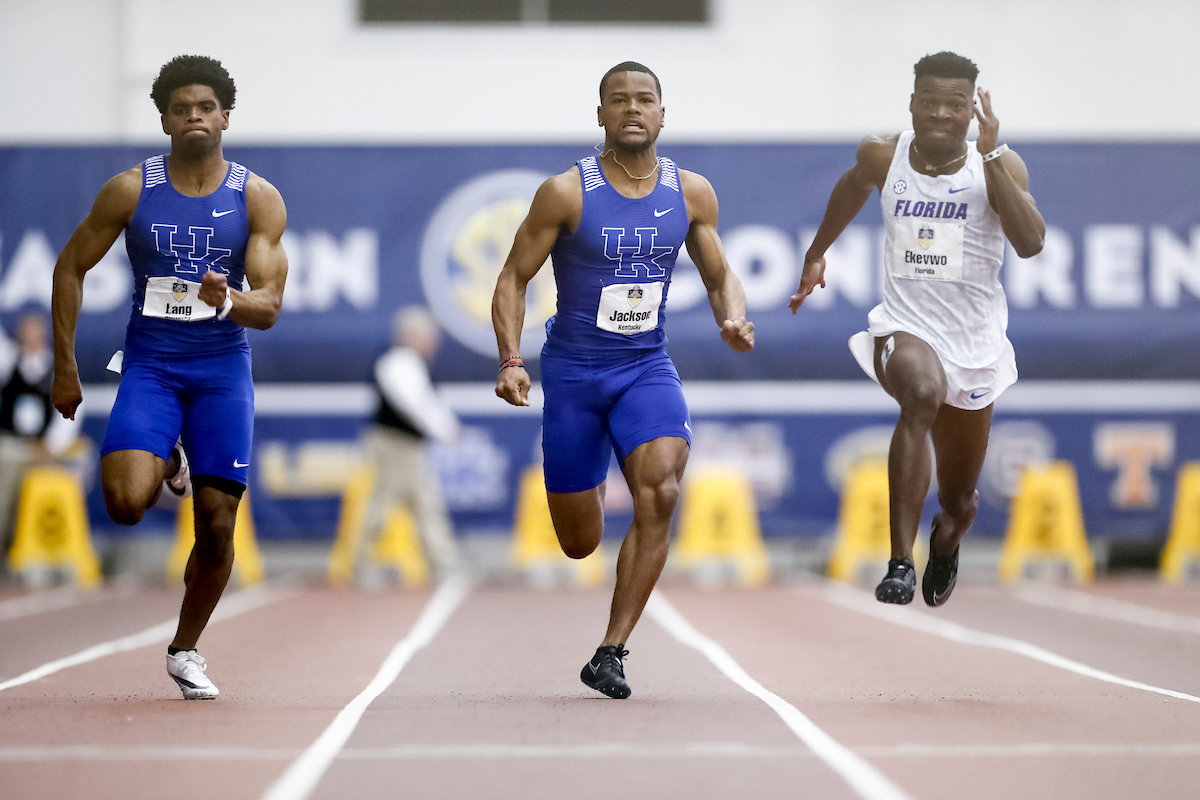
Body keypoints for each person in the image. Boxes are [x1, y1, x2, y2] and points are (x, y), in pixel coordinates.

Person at [492, 61, 754, 699]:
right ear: (602, 115)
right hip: (575, 374)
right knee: (580, 542)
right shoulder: (565, 192)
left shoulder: (691, 193)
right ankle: (594, 540)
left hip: (646, 366)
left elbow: (720, 275)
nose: (633, 109)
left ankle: (611, 650)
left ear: (663, 114)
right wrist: (511, 360)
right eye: (619, 100)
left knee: (660, 492)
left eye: (645, 100)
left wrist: (734, 317)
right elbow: (511, 278)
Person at [50, 55, 288, 698]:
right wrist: (65, 368)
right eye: (181, 108)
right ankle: (170, 451)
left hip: (220, 373)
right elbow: (69, 267)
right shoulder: (130, 189)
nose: (194, 117)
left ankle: (185, 649)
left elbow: (267, 309)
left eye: (206, 107)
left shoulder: (256, 197)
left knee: (215, 526)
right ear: (163, 118)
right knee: (126, 504)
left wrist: (226, 299)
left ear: (225, 117)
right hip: (151, 365)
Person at [789, 51, 1045, 606]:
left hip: (974, 343)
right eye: (929, 103)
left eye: (955, 105)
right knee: (921, 393)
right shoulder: (884, 154)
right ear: (912, 104)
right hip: (905, 325)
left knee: (960, 500)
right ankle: (900, 562)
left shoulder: (998, 165)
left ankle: (947, 538)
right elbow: (854, 185)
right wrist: (816, 254)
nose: (940, 115)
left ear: (971, 112)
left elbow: (1030, 243)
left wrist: (994, 153)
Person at [357, 305, 461, 583]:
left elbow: (425, 403)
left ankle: (444, 562)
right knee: (382, 502)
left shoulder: (413, 363)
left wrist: (446, 429)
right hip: (392, 444)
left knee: (425, 502)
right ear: (412, 335)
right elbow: (415, 404)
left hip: (408, 445)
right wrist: (446, 431)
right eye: (429, 335)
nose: (434, 342)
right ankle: (363, 561)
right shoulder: (398, 362)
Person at [0, 312, 83, 558]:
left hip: (45, 449)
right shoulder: (8, 363)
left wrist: (50, 445)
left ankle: (44, 554)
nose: (30, 338)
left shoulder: (59, 369)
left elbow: (71, 413)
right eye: (25, 333)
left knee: (62, 478)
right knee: (5, 478)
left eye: (35, 333)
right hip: (12, 445)